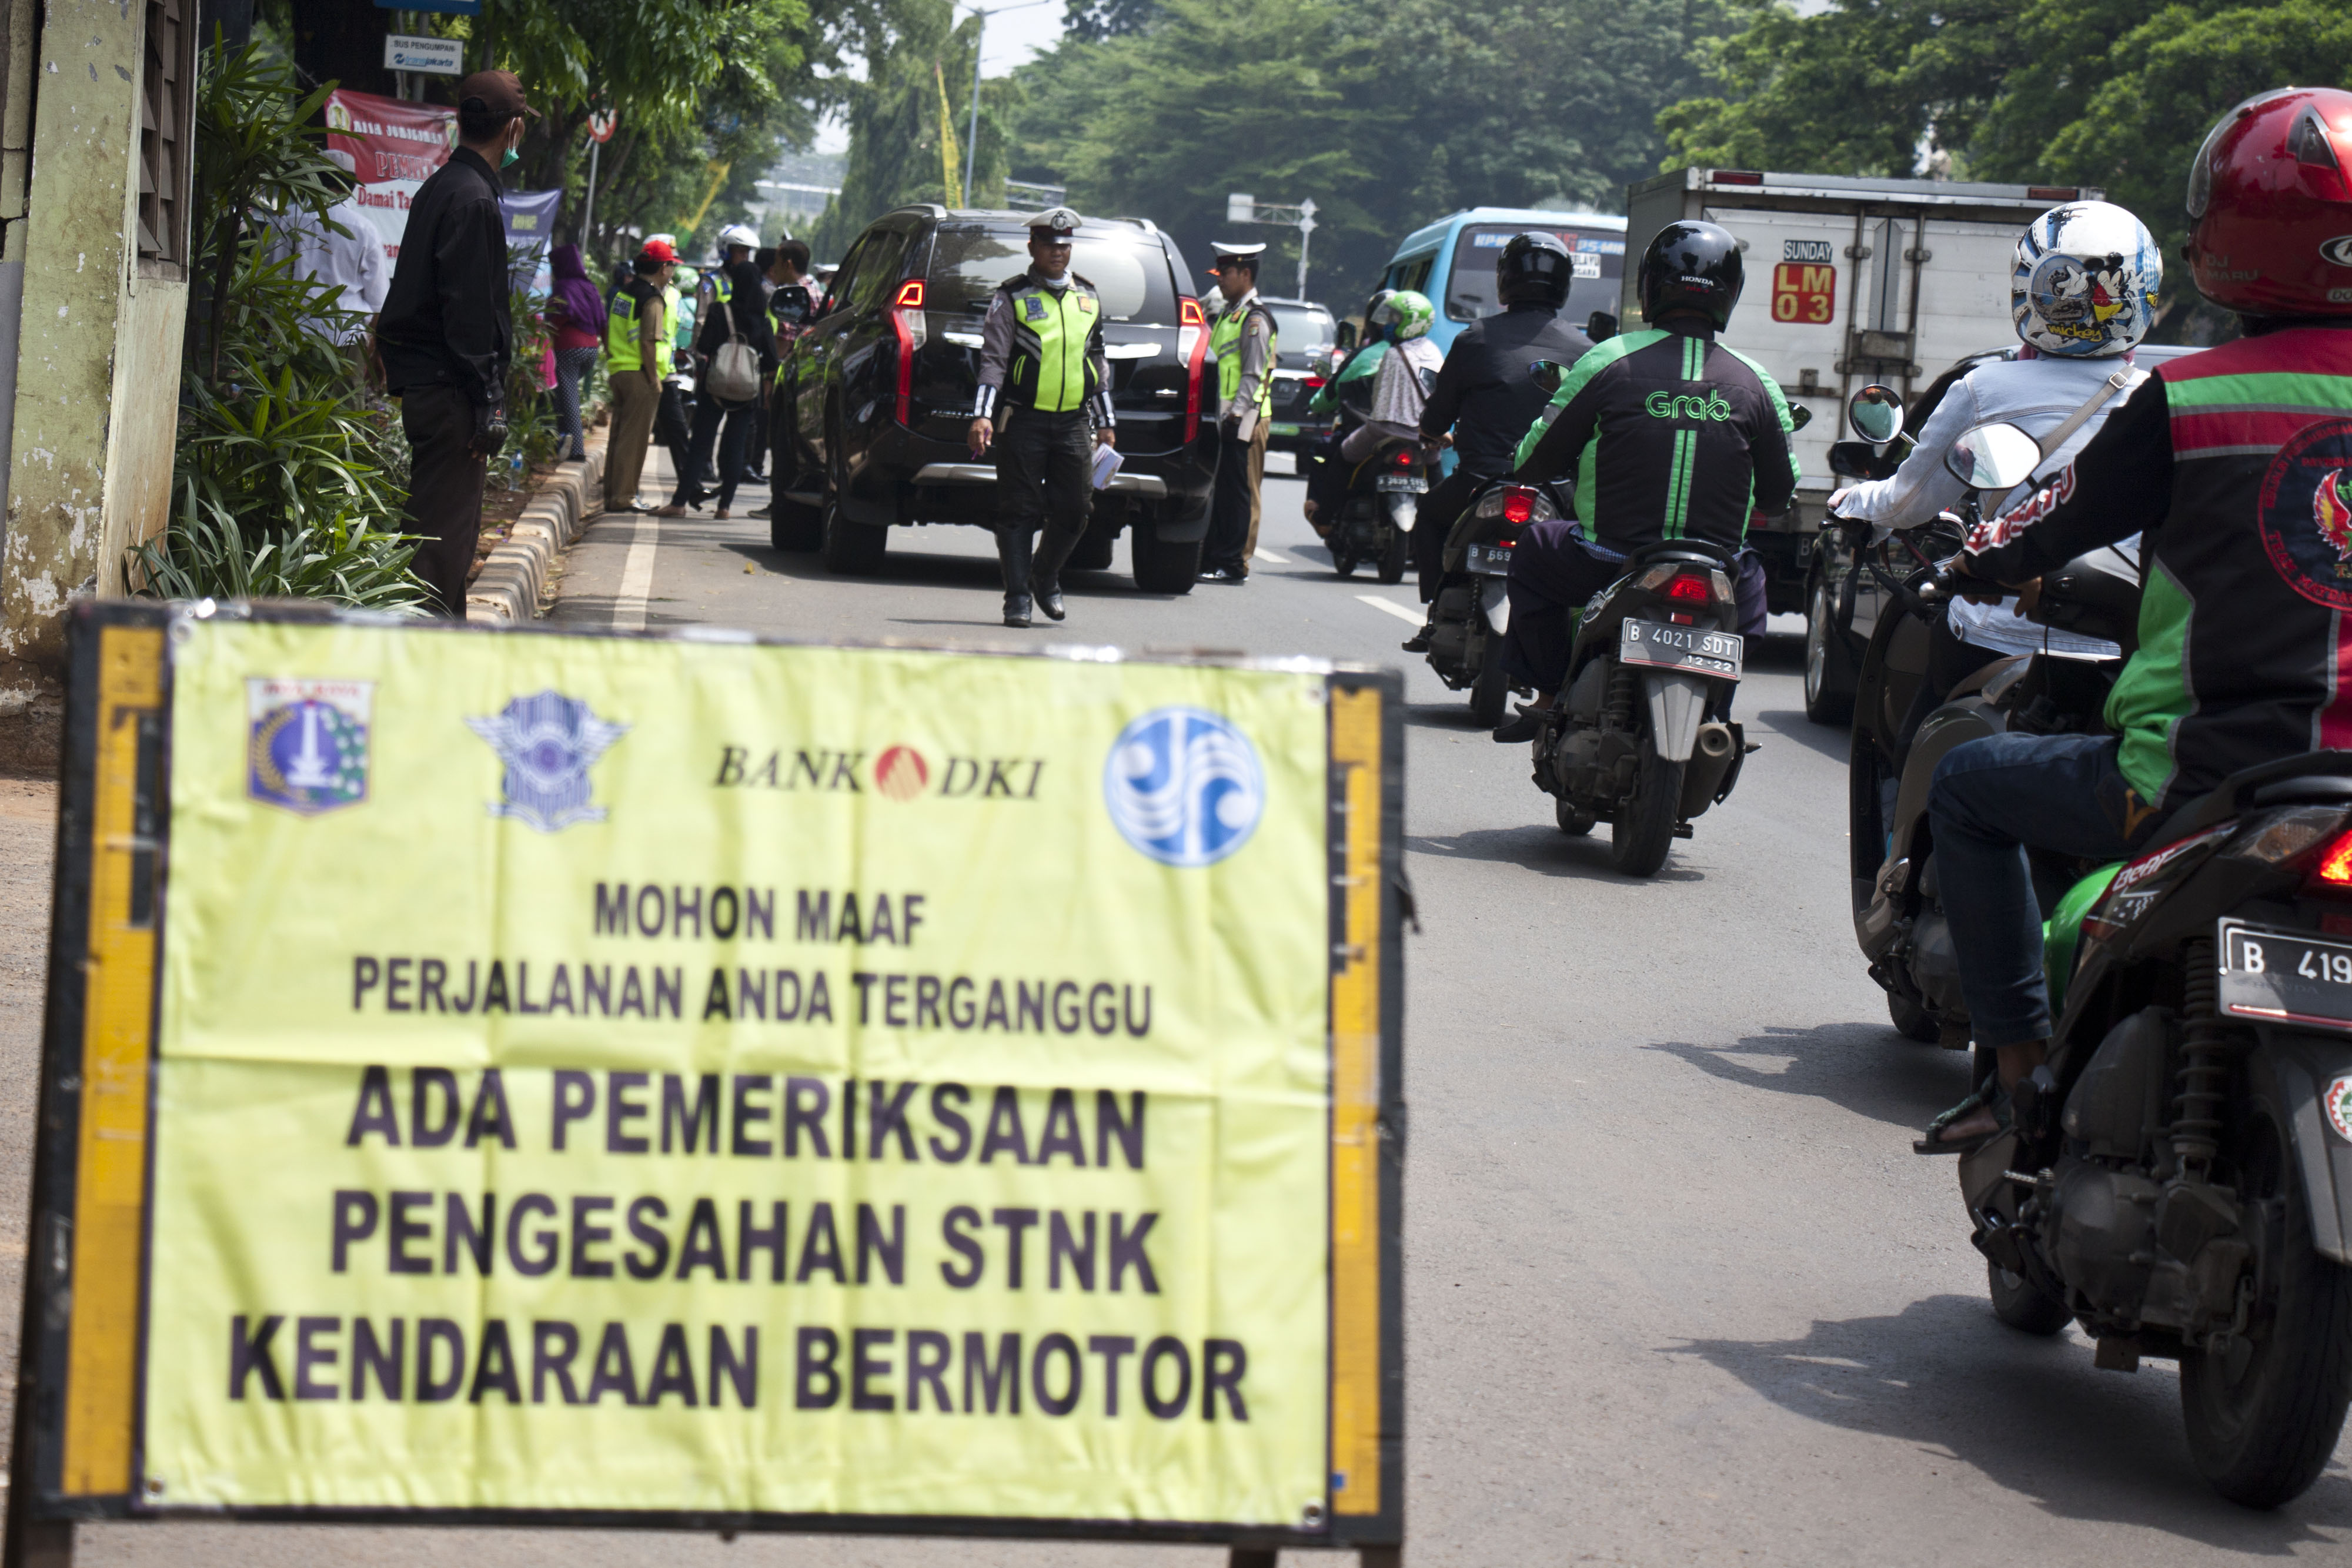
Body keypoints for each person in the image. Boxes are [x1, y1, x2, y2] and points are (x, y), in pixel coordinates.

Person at [1918, 89, 2352, 1152]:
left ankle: (2015, 1072)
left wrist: (1968, 559)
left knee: (1967, 786)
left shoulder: (2189, 401)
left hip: (2195, 783)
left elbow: (2037, 526)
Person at [1829, 201, 2160, 743]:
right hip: (2121, 643)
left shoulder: (1983, 390)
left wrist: (1853, 501)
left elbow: (1907, 502)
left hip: (1998, 633)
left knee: (1918, 756)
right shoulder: (2159, 399)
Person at [1494, 219, 1799, 741]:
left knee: (1535, 548)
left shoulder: (1609, 359)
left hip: (1606, 560)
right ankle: (1716, 717)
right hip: (1719, 569)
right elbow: (1778, 495)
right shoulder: (1757, 381)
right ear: (1732, 292)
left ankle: (1546, 694)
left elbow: (1534, 465)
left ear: (1650, 286)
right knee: (1751, 602)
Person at [375, 69, 537, 618]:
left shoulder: (443, 187)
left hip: (433, 388)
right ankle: (423, 664)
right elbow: (468, 316)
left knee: (439, 533)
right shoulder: (471, 199)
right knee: (441, 546)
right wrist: (487, 401)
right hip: (452, 395)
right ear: (513, 130)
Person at [1402, 234, 1593, 638]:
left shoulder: (1475, 338)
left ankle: (1436, 606)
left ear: (1505, 280)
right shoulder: (1584, 350)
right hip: (1555, 488)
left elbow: (1439, 412)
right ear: (1564, 283)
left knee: (1431, 516)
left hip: (1479, 481)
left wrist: (1431, 431)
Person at [968, 208, 1115, 628]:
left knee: (1076, 509)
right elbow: (993, 361)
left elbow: (1098, 361)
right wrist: (982, 416)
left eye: (1065, 244)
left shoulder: (1088, 295)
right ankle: (1017, 598)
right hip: (1023, 421)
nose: (1058, 251)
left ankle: (1044, 574)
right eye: (1050, 244)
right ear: (1032, 246)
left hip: (1073, 422)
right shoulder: (1010, 296)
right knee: (1019, 512)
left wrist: (1107, 422)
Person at [1198, 242, 1278, 583]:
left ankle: (1234, 563)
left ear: (1246, 274)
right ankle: (1218, 557)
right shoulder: (1231, 315)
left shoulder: (1255, 318)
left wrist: (1237, 414)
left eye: (1227, 274)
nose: (1221, 281)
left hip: (1245, 417)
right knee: (1224, 492)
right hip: (1227, 416)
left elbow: (1252, 372)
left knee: (1240, 494)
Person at [683, 223, 773, 519]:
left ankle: (678, 503)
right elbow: (772, 361)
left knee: (701, 443)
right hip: (748, 393)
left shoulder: (721, 310)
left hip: (715, 388)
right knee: (735, 448)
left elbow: (705, 346)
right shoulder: (763, 320)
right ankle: (724, 508)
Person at [1302, 289, 1394, 534]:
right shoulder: (1426, 354)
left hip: (1374, 434)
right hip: (1420, 436)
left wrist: (1315, 406)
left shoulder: (1369, 356)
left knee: (1333, 453)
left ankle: (1324, 518)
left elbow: (1330, 395)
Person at [263, 185, 389, 363]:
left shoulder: (283, 220)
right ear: (350, 187)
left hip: (287, 334)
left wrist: (268, 333)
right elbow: (378, 303)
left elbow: (262, 285)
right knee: (343, 392)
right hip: (344, 339)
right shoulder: (363, 229)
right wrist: (377, 353)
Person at [602, 240, 676, 514]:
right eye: (671, 266)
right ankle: (625, 497)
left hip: (619, 370)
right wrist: (654, 379)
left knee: (620, 436)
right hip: (639, 375)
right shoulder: (653, 299)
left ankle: (613, 494)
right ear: (663, 268)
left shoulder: (624, 293)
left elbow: (610, 331)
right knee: (634, 440)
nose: (672, 272)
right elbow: (648, 342)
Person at [751, 240, 817, 520]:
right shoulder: (815, 289)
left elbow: (784, 341)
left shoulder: (793, 294)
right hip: (810, 380)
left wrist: (769, 377)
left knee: (781, 442)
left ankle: (780, 502)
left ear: (787, 263)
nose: (773, 269)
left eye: (777, 263)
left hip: (792, 378)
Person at [545, 243, 606, 463]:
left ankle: (577, 451)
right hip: (591, 350)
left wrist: (547, 333)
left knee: (568, 397)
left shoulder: (563, 287)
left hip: (568, 348)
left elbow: (561, 314)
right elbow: (603, 321)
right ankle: (562, 443)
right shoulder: (590, 288)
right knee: (563, 395)